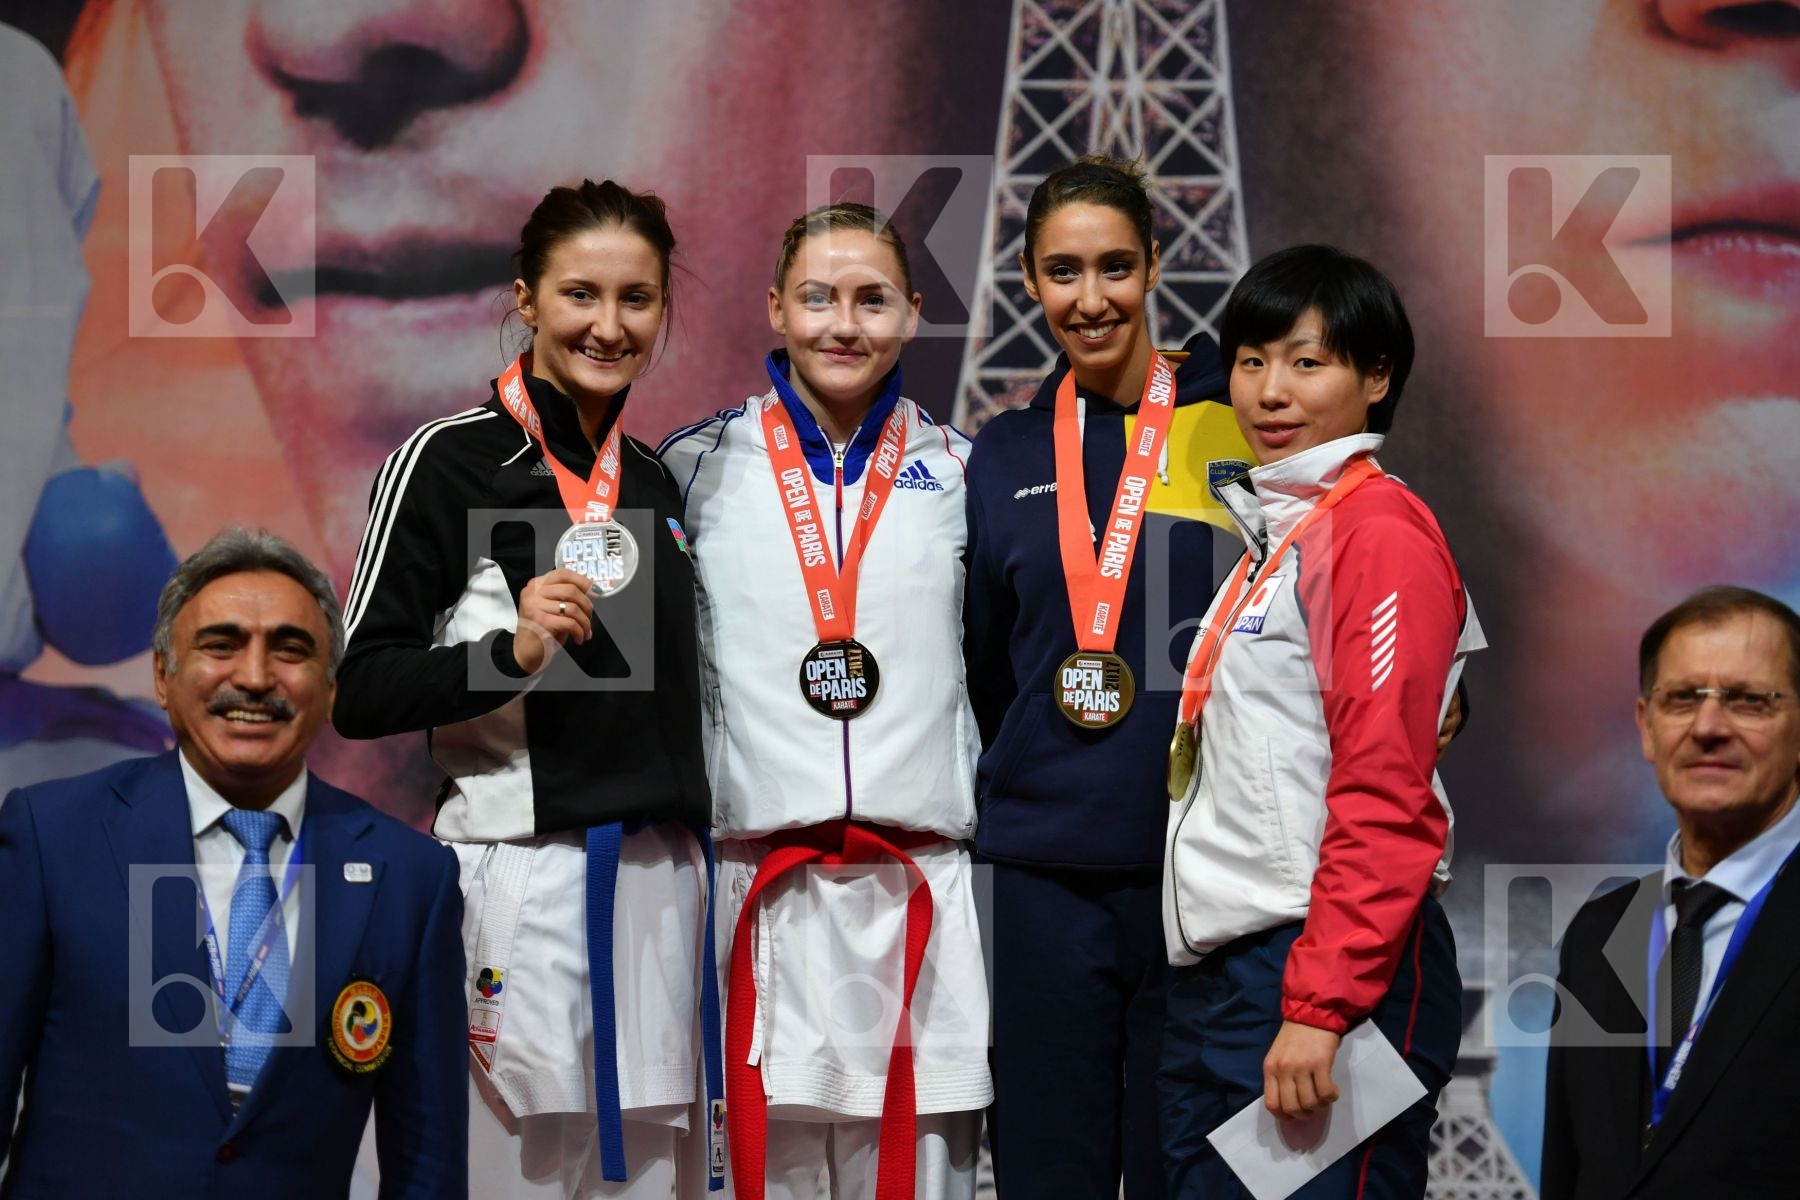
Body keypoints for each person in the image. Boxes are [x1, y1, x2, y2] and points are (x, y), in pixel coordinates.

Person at [332, 179, 718, 1198]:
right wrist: (504, 655)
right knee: (511, 1182)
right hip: (518, 879)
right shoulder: (448, 460)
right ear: (527, 300)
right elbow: (359, 687)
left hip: (662, 888)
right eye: (580, 294)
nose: (609, 323)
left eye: (637, 299)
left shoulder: (655, 477)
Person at [659, 202, 988, 1200]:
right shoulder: (691, 468)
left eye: (872, 299)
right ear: (775, 308)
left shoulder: (965, 470)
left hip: (921, 885)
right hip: (759, 891)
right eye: (818, 297)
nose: (844, 324)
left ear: (913, 313)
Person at [0, 527, 467, 1198]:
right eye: (220, 645)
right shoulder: (53, 836)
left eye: (291, 649)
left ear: (332, 687)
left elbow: (429, 1161)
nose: (254, 677)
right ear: (163, 676)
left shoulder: (409, 877)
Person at [1159, 245, 1485, 1197]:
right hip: (1234, 977)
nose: (1271, 389)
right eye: (1254, 360)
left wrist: (1322, 1002)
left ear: (1377, 377)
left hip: (1327, 972)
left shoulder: (1374, 531)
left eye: (1309, 362)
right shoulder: (1283, 534)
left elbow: (1386, 788)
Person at [958, 154, 1251, 1200]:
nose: (1091, 299)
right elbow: (987, 663)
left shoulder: (1239, 425)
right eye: (1063, 272)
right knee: (1049, 1175)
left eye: (1116, 267)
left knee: (1190, 1175)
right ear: (1030, 281)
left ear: (1157, 266)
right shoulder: (999, 454)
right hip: (1043, 878)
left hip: (1203, 873)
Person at [1542, 587, 1800, 1199]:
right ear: (1647, 726)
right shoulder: (1600, 933)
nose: (1709, 727)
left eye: (1749, 701)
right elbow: (1569, 1169)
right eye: (1682, 699)